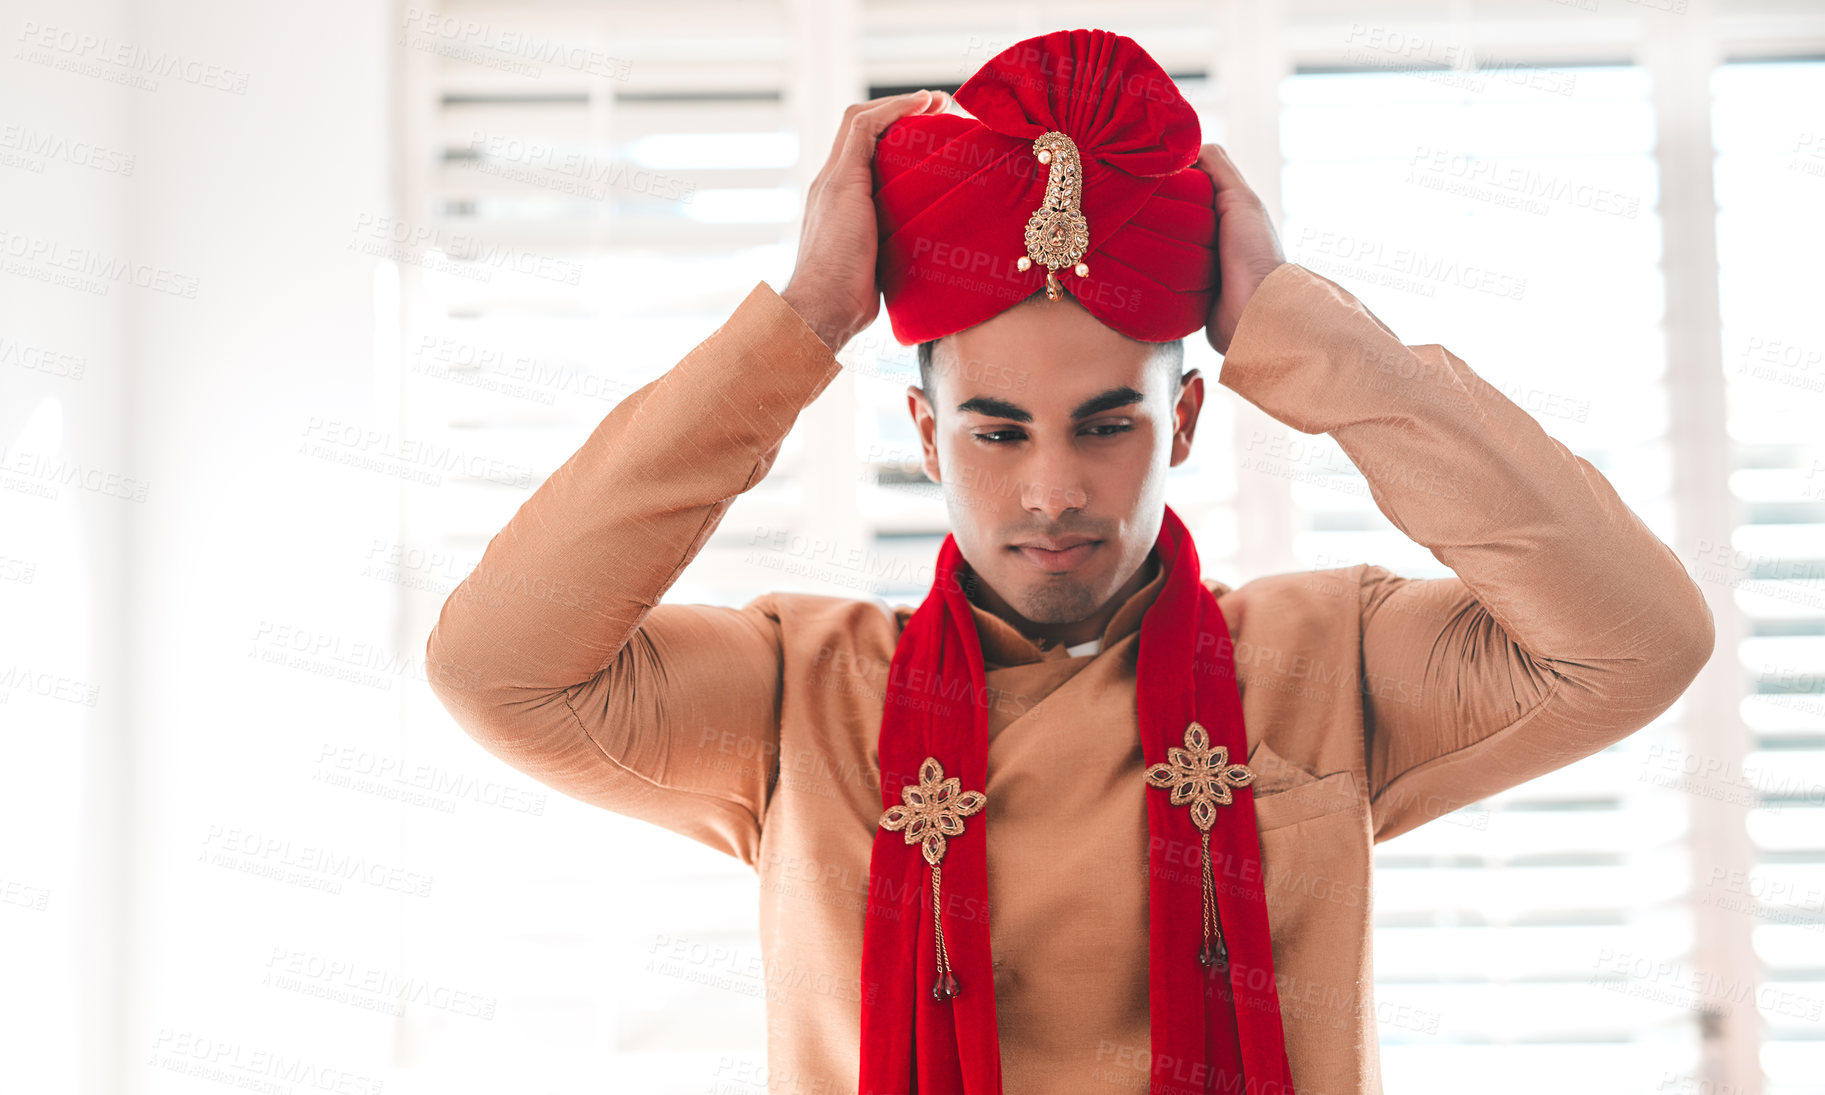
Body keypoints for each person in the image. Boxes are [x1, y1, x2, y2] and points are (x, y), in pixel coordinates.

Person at [425, 28, 1714, 1095]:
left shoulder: (1331, 663)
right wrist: (802, 324)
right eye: (996, 430)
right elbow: (498, 667)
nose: (1054, 491)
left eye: (1109, 425)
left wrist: (1299, 335)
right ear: (927, 434)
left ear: (1189, 423)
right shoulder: (799, 694)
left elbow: (1639, 640)